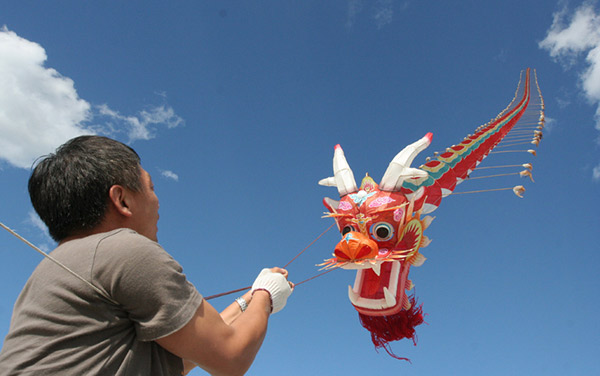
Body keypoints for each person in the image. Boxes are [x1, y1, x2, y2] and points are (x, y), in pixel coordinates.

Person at [0, 135, 293, 375]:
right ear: (122, 200)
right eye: (151, 187)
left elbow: (190, 354)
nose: (157, 201)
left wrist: (248, 301)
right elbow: (230, 357)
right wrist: (266, 296)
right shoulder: (125, 249)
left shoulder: (51, 274)